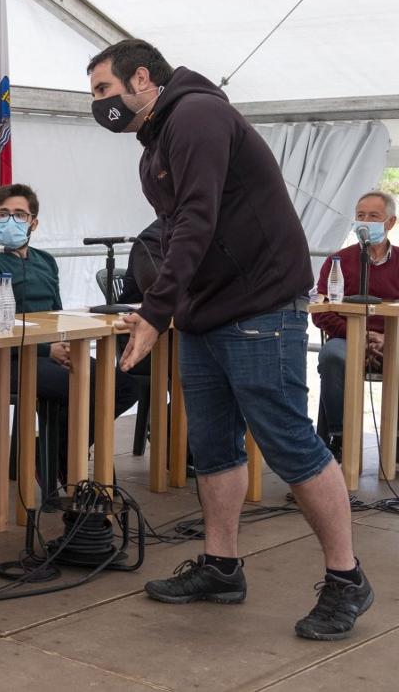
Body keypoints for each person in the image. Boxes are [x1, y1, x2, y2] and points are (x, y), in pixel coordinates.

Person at [89, 38, 372, 640]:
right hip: (207, 313)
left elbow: (197, 216)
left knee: (288, 439)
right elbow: (173, 231)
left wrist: (156, 311)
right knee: (213, 444)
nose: (99, 105)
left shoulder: (197, 116)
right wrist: (167, 303)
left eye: (104, 91)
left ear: (142, 78)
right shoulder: (158, 138)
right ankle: (221, 567)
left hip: (260, 303)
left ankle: (347, 579)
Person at [0, 183, 142, 479]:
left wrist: (64, 347)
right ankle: (62, 459)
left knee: (126, 385)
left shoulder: (45, 261)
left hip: (55, 353)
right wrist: (46, 350)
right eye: (3, 214)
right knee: (83, 384)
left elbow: (58, 316)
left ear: (33, 223)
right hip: (11, 359)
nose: (11, 220)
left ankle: (53, 451)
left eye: (19, 215)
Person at [313, 191, 399, 459]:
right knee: (331, 356)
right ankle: (340, 438)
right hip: (347, 337)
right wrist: (357, 335)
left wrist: (386, 340)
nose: (365, 222)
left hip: (392, 340)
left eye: (373, 216)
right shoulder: (338, 261)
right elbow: (321, 310)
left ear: (391, 222)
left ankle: (396, 440)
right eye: (360, 216)